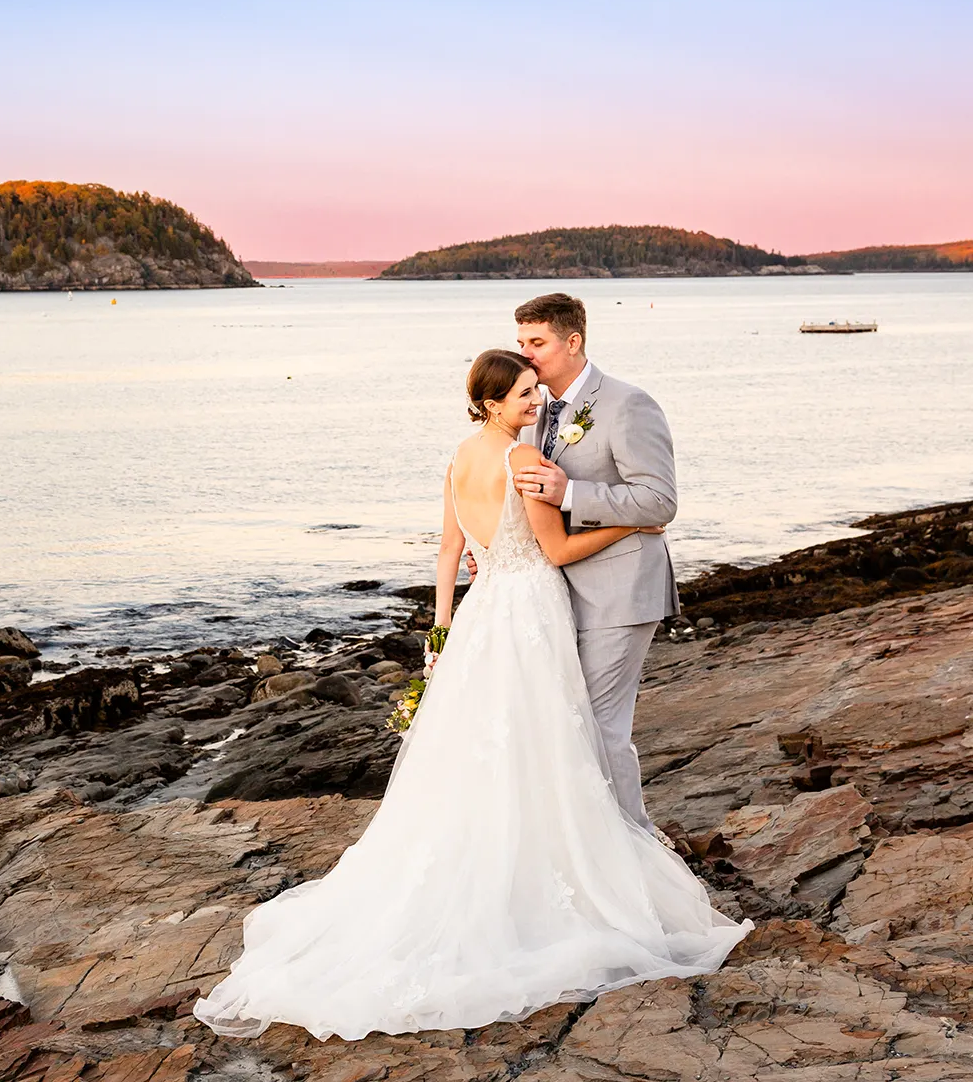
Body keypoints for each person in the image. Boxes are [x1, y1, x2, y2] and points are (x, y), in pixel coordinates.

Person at [192, 350, 750, 1042]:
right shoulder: (520, 461)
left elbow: (449, 551)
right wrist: (635, 526)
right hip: (531, 608)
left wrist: (443, 626)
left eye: (533, 390)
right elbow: (556, 553)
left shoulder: (459, 457)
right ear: (491, 403)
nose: (535, 402)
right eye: (522, 394)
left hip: (486, 611)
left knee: (482, 740)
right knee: (543, 737)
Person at [510, 292, 681, 837]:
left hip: (622, 589)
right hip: (562, 591)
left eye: (536, 343)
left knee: (602, 728)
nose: (526, 354)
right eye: (521, 343)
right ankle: (599, 853)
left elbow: (660, 501)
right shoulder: (537, 411)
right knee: (573, 726)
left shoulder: (628, 404)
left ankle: (638, 853)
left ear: (573, 341)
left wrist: (571, 492)